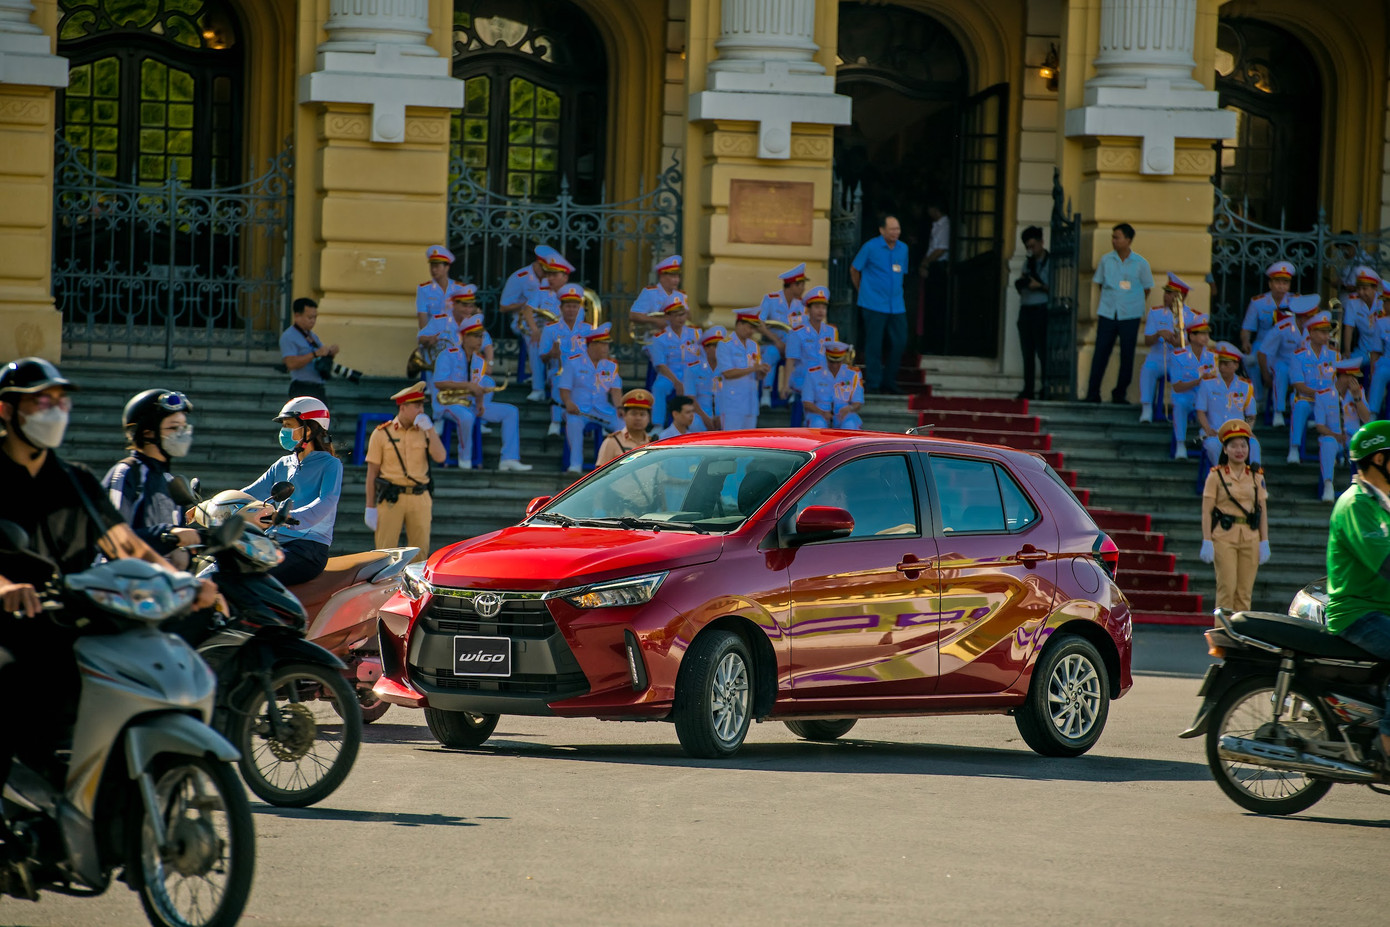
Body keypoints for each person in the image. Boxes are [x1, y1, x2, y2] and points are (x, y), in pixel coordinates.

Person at [0, 358, 216, 840]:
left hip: (65, 616)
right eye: (41, 400)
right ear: (7, 410)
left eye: (61, 400)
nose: (55, 410)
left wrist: (186, 582)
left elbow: (124, 543)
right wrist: (5, 586)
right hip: (10, 622)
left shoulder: (72, 478)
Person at [1322, 420, 1390, 761]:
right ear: (1379, 459)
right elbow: (1386, 564)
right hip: (1358, 613)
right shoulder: (1357, 504)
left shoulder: (1382, 503)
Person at [242, 396, 342, 586]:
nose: (283, 431)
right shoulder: (282, 464)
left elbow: (326, 501)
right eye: (283, 426)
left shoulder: (331, 464)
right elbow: (249, 493)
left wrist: (288, 516)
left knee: (254, 576)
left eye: (289, 425)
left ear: (309, 429)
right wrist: (209, 506)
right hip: (274, 541)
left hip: (308, 549)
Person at [102, 389, 200, 567]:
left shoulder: (169, 480)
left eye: (183, 427)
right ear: (147, 432)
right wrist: (168, 534)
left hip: (163, 584)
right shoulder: (127, 472)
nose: (181, 433)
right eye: (172, 427)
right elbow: (114, 538)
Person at [433, 317, 533, 472]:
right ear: (465, 336)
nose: (480, 340)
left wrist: (480, 402)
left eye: (481, 336)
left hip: (470, 403)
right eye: (476, 336)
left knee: (511, 412)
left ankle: (509, 458)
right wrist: (468, 386)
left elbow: (477, 385)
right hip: (448, 403)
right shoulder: (448, 354)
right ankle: (465, 459)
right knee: (466, 417)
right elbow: (439, 383)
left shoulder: (479, 361)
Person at [363, 383, 445, 560]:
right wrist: (370, 507)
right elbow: (372, 474)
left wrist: (430, 429)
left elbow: (441, 457)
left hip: (420, 497)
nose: (421, 410)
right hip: (392, 497)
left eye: (422, 406)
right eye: (417, 406)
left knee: (420, 553)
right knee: (385, 554)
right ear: (403, 407)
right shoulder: (381, 433)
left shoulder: (425, 430)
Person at [1198, 419, 1270, 615]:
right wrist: (1207, 540)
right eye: (1234, 446)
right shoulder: (1216, 476)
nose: (1240, 450)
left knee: (1244, 595)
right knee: (1226, 591)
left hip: (1250, 537)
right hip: (1224, 536)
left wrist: (1264, 541)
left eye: (1243, 445)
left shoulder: (1256, 475)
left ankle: (1240, 641)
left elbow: (1262, 510)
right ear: (1225, 449)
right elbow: (1207, 510)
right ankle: (1222, 641)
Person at [1085, 223, 1153, 404]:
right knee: (1100, 353)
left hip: (1130, 315)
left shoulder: (1140, 263)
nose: (1113, 241)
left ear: (1128, 240)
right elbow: (1100, 283)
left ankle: (1119, 394)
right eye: (1113, 237)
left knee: (1127, 355)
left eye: (1117, 237)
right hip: (1108, 313)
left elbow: (1147, 288)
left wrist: (1131, 302)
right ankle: (1093, 393)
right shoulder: (1106, 260)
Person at [850, 215, 908, 394]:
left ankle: (889, 380)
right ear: (882, 230)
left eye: (897, 229)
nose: (895, 232)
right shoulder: (871, 247)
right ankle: (874, 382)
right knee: (874, 344)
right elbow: (854, 269)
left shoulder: (903, 248)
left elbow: (901, 273)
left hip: (896, 304)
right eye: (892, 229)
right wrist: (861, 290)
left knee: (900, 342)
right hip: (873, 303)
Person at [558, 322, 623, 474]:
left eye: (607, 345)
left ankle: (618, 465)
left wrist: (620, 407)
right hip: (578, 409)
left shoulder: (611, 366)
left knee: (622, 424)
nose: (606, 348)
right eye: (603, 345)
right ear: (592, 345)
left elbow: (615, 391)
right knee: (574, 424)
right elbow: (564, 388)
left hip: (603, 409)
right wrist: (568, 403)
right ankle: (575, 464)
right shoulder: (573, 363)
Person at [1312, 358, 1372, 502]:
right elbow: (1319, 426)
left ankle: (1365, 489)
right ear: (1344, 377)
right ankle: (1328, 485)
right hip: (1333, 437)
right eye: (1352, 377)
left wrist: (1357, 397)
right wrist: (1335, 435)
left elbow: (1367, 419)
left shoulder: (1358, 392)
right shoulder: (1323, 395)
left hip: (1353, 438)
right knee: (1327, 443)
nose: (1355, 381)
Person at [1257, 293, 1319, 428]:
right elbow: (1262, 352)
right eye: (1310, 317)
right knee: (1282, 371)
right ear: (1302, 318)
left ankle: (1313, 413)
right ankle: (1278, 412)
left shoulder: (1315, 330)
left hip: (1302, 366)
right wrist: (1265, 375)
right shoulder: (1282, 328)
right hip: (1281, 361)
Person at [1136, 272, 1192, 423]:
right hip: (1158, 355)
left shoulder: (1191, 316)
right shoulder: (1156, 313)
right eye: (1165, 293)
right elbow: (1148, 341)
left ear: (1181, 297)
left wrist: (1177, 340)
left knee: (1183, 374)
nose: (1165, 296)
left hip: (1178, 357)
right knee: (1148, 369)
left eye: (1170, 293)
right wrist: (1159, 334)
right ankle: (1147, 408)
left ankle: (1181, 411)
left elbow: (1193, 343)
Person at [539, 277, 590, 436]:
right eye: (568, 306)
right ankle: (555, 422)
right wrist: (551, 354)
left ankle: (586, 420)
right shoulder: (550, 329)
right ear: (560, 307)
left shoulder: (588, 329)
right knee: (558, 380)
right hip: (558, 370)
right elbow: (542, 357)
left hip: (582, 372)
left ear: (579, 308)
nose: (571, 310)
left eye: (575, 306)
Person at [500, 244, 556, 389]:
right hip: (523, 321)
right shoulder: (520, 277)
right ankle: (538, 384)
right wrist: (527, 305)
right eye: (544, 269)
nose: (546, 274)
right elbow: (503, 307)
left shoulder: (551, 278)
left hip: (547, 321)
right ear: (538, 263)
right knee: (534, 338)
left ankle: (552, 378)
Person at [1197, 342, 1261, 468]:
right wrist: (1208, 429)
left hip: (1237, 432)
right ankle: (1223, 477)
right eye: (1220, 363)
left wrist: (1247, 429)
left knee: (1253, 444)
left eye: (1226, 364)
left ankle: (1255, 480)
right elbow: (1200, 411)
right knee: (1213, 445)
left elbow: (1251, 415)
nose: (1221, 367)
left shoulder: (1245, 386)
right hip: (1215, 432)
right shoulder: (1207, 383)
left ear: (1236, 365)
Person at [1286, 310, 1338, 464]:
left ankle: (1336, 453)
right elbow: (1298, 384)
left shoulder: (1333, 356)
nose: (1326, 336)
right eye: (1322, 332)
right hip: (1306, 399)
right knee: (1300, 406)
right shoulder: (1299, 355)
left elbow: (1337, 383)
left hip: (1326, 403)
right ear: (1312, 333)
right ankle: (1294, 447)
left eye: (1327, 332)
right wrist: (1320, 394)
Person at [757, 264, 807, 407]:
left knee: (802, 357)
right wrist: (777, 342)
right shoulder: (771, 299)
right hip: (774, 343)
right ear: (792, 285)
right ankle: (766, 393)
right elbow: (759, 324)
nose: (803, 289)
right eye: (801, 285)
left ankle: (793, 392)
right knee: (770, 354)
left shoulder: (802, 305)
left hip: (794, 347)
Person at [1166, 314, 1215, 460]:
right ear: (1191, 336)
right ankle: (1181, 443)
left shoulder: (1212, 356)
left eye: (1207, 333)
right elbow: (1177, 387)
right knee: (1180, 405)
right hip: (1186, 396)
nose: (1206, 337)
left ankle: (1207, 436)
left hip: (1205, 398)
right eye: (1201, 333)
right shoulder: (1178, 355)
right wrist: (1198, 382)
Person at [647, 292, 699, 428]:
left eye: (683, 314)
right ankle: (657, 425)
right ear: (668, 316)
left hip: (692, 372)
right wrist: (676, 382)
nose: (681, 319)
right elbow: (661, 365)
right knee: (658, 388)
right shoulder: (659, 338)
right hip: (669, 374)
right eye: (676, 315)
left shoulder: (696, 333)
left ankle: (696, 424)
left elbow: (702, 357)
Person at [1239, 261, 1295, 379]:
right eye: (1277, 282)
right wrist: (1245, 341)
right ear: (1270, 284)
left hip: (1287, 343)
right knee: (1251, 361)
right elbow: (1247, 328)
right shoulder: (1258, 302)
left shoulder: (1295, 301)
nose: (1281, 286)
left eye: (1285, 283)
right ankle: (1258, 395)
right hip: (1263, 341)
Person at [716, 309, 768, 431]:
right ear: (739, 324)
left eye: (754, 328)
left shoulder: (754, 345)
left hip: (751, 402)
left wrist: (762, 371)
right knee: (730, 442)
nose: (752, 331)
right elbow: (727, 373)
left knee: (748, 443)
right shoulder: (725, 345)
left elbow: (758, 375)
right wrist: (753, 368)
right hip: (732, 405)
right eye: (749, 327)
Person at [1015, 225, 1050, 400]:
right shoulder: (1027, 263)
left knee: (1043, 352)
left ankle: (1046, 387)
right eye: (1028, 247)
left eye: (1033, 246)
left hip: (1041, 310)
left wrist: (1040, 286)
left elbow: (1057, 288)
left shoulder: (1051, 261)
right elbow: (1022, 281)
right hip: (1026, 309)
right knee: (1027, 352)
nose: (1031, 250)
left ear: (1041, 242)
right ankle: (1028, 388)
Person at [784, 285, 836, 402]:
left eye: (823, 308)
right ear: (808, 309)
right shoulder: (797, 332)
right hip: (802, 382)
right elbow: (790, 360)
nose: (821, 311)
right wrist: (785, 386)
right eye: (817, 307)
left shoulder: (831, 331)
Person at [279, 297, 337, 403]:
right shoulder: (289, 336)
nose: (313, 321)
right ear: (297, 315)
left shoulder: (312, 336)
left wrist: (330, 352)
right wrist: (314, 354)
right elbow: (291, 364)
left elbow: (321, 353)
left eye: (315, 317)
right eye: (310, 317)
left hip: (318, 388)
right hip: (302, 388)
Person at [802, 341, 864, 429]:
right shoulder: (813, 373)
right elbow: (807, 402)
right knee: (817, 425)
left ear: (843, 359)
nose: (835, 366)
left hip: (844, 412)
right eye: (831, 362)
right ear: (826, 358)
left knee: (850, 426)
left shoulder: (853, 373)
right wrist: (822, 413)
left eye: (838, 362)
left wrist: (849, 408)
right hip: (819, 411)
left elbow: (858, 402)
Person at [596, 389, 655, 467]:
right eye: (633, 414)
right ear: (624, 416)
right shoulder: (612, 442)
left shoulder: (653, 443)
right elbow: (600, 474)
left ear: (649, 418)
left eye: (642, 414)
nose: (638, 418)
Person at [629, 254, 683, 334]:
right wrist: (656, 320)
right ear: (662, 277)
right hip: (654, 339)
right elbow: (634, 315)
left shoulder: (680, 296)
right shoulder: (650, 293)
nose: (677, 280)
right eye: (673, 276)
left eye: (678, 276)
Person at [416, 245, 465, 331]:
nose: (433, 270)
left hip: (455, 339)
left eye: (437, 266)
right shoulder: (424, 289)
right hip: (433, 337)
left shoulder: (459, 289)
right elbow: (422, 318)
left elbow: (465, 316)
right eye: (432, 266)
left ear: (447, 267)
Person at [1340, 266, 1381, 361]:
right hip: (1363, 351)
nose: (1361, 292)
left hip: (1382, 353)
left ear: (1374, 288)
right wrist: (1347, 351)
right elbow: (1349, 327)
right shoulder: (1353, 302)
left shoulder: (1383, 302)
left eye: (1365, 289)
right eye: (1358, 289)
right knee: (1345, 363)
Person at [690, 326, 724, 433]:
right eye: (715, 346)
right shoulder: (693, 369)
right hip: (699, 413)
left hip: (724, 413)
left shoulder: (728, 369)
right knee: (694, 424)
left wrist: (721, 416)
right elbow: (690, 398)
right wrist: (705, 418)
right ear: (706, 348)